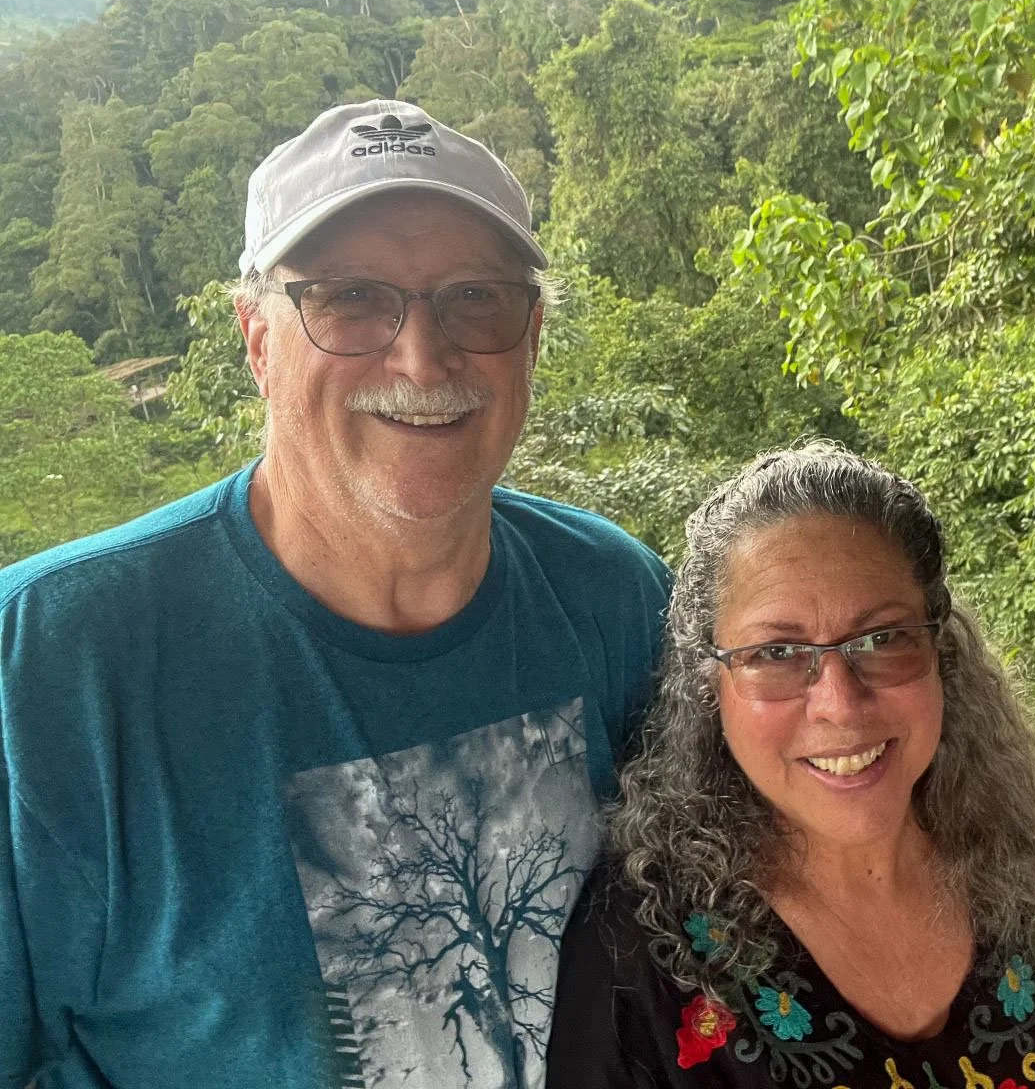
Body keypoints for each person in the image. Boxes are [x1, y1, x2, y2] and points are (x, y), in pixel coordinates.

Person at [0, 100, 669, 1089]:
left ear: (532, 335)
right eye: (352, 299)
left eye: (474, 296)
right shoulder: (50, 662)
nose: (421, 357)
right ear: (257, 341)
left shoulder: (615, 598)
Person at [547, 443, 1035, 1088]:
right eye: (776, 652)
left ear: (941, 651)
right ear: (708, 684)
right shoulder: (640, 959)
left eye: (882, 639)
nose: (838, 704)